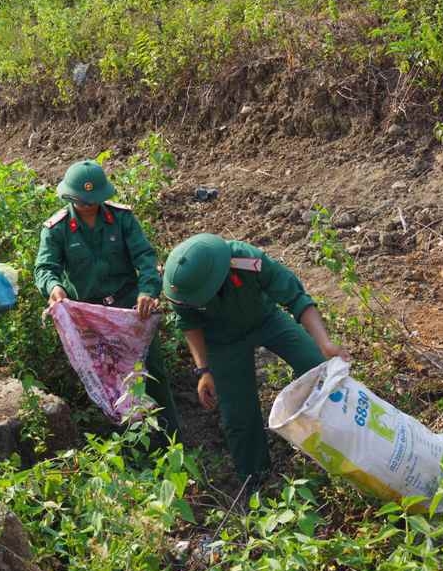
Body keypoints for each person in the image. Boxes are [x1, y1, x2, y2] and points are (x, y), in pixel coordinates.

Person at [162, 233, 349, 489]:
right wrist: (204, 370)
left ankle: (340, 444)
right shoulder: (181, 287)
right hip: (223, 341)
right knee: (238, 415)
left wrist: (324, 343)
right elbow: (189, 325)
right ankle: (256, 480)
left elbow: (295, 297)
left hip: (265, 319)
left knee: (317, 366)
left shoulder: (245, 259)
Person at [34, 160, 179, 438]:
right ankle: (133, 452)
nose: (89, 206)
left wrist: (148, 290)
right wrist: (54, 288)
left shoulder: (122, 219)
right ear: (70, 197)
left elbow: (145, 258)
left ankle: (171, 440)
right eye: (82, 201)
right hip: (89, 318)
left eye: (95, 201)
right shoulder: (57, 229)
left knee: (151, 374)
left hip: (129, 311)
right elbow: (45, 268)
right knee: (109, 382)